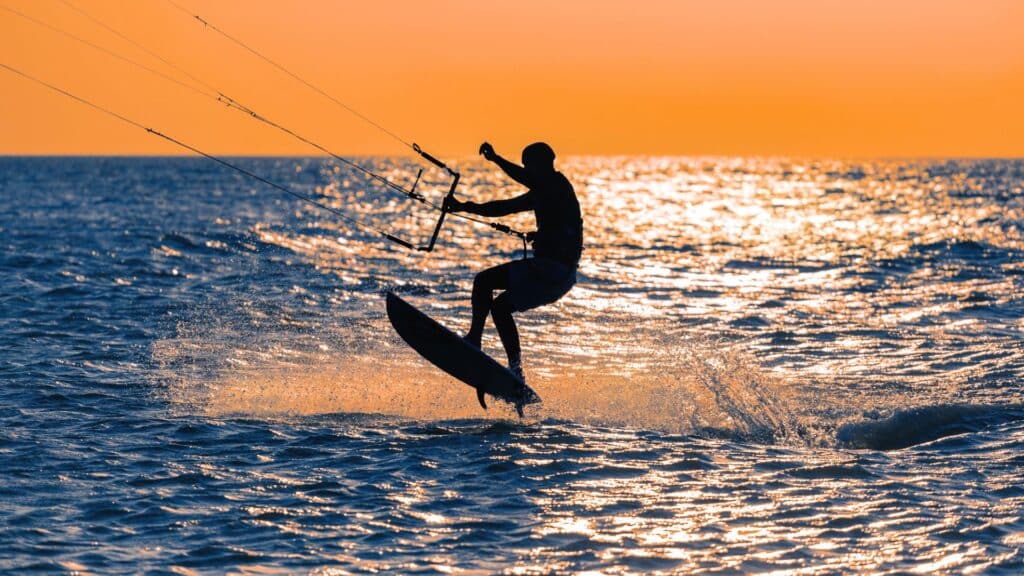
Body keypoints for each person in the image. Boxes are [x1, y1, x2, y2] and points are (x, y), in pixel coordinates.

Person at [446, 141, 583, 409]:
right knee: (500, 308)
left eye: (528, 166)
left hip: (551, 270)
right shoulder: (547, 191)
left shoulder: (554, 185)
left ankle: (474, 339)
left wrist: (496, 160)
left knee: (483, 281)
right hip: (560, 277)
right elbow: (505, 207)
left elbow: (516, 191)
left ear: (541, 165)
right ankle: (516, 370)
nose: (526, 171)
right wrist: (465, 207)